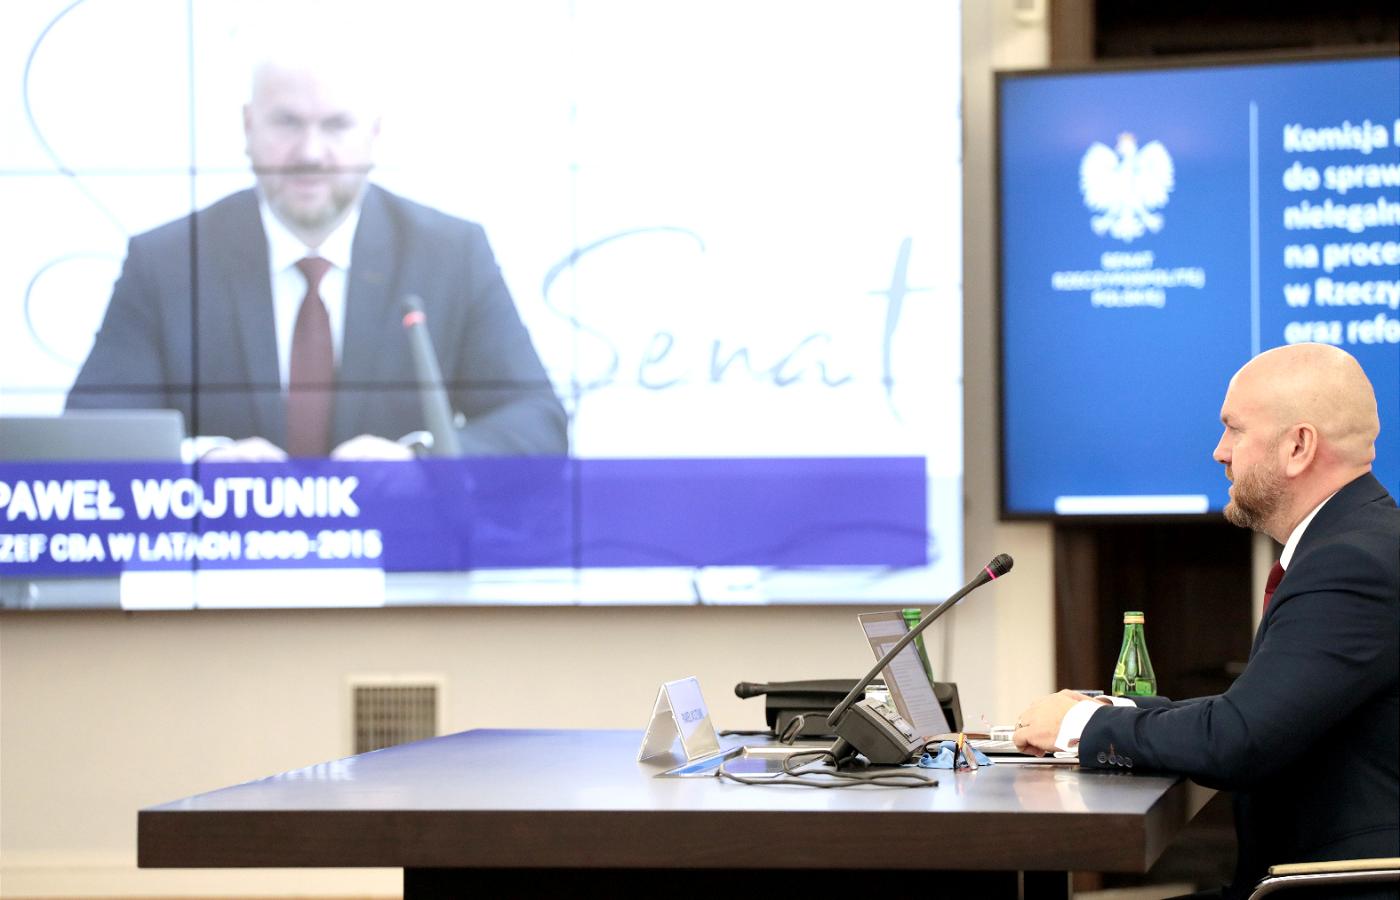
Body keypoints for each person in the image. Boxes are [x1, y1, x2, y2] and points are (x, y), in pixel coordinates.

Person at [1014, 343, 1398, 899]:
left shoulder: (1351, 562)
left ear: (1298, 446)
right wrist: (1116, 710)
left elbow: (1240, 739)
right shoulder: (1359, 541)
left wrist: (1080, 727)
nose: (1219, 452)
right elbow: (1259, 711)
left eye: (1234, 430)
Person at [66, 46, 567, 460]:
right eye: (287, 123)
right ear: (248, 127)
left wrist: (421, 462)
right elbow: (89, 436)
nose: (309, 152)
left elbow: (537, 425)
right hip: (224, 546)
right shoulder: (167, 262)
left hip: (400, 545)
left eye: (336, 125)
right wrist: (202, 461)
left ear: (373, 134)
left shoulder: (451, 254)